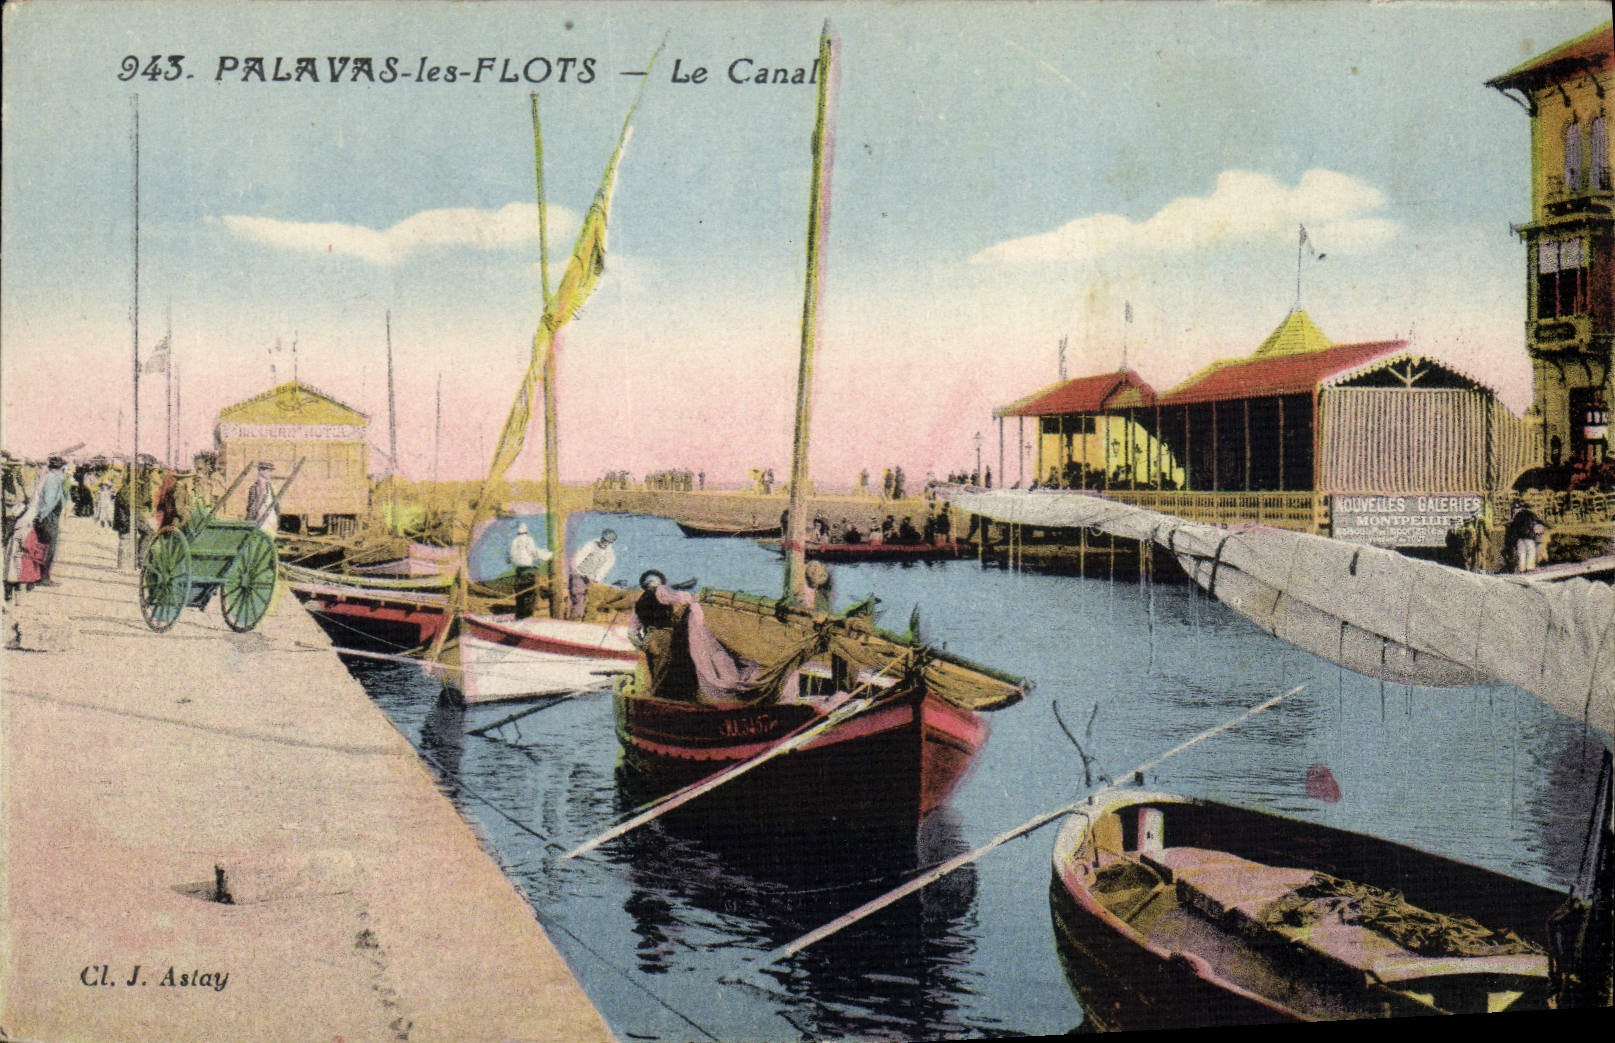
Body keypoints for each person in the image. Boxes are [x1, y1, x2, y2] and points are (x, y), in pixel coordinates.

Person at [29, 456, 67, 585]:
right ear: (60, 468)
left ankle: (41, 576)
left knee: (44, 546)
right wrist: (42, 516)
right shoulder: (53, 479)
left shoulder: (48, 477)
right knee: (48, 547)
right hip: (48, 517)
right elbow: (49, 501)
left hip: (47, 516)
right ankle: (43, 578)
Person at [507, 522, 551, 619]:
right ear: (526, 531)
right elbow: (533, 552)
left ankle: (519, 615)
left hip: (519, 571)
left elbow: (509, 556)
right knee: (531, 594)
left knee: (520, 595)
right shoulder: (528, 540)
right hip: (529, 570)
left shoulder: (514, 541)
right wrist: (544, 556)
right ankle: (528, 615)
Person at [569, 529, 617, 618]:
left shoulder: (610, 555)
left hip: (591, 579)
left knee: (590, 599)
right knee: (578, 595)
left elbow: (604, 569)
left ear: (611, 543)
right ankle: (575, 617)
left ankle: (584, 619)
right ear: (601, 537)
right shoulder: (591, 545)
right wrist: (575, 570)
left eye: (608, 541)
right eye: (604, 539)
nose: (604, 542)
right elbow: (580, 556)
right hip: (579, 574)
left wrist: (596, 579)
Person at [1505, 501, 1547, 573]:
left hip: (1520, 537)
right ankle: (1529, 568)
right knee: (1531, 552)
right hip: (1529, 537)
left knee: (1521, 553)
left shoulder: (1518, 515)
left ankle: (1522, 569)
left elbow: (1513, 525)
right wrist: (1546, 525)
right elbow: (1538, 521)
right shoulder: (1531, 515)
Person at [245, 461, 279, 533]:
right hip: (260, 517)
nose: (270, 473)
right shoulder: (255, 488)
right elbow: (252, 505)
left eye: (270, 471)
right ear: (261, 471)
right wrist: (251, 518)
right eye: (268, 471)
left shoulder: (270, 487)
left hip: (270, 517)